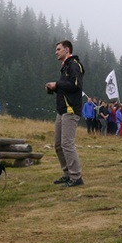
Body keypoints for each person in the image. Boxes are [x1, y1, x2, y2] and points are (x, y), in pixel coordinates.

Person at [45, 40, 85, 187]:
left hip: (70, 110)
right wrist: (54, 88)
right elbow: (66, 87)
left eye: (58, 49)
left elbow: (76, 85)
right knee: (58, 145)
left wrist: (57, 84)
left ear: (67, 50)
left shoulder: (74, 65)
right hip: (61, 111)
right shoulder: (65, 67)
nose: (56, 52)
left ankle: (76, 176)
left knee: (67, 144)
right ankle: (67, 173)